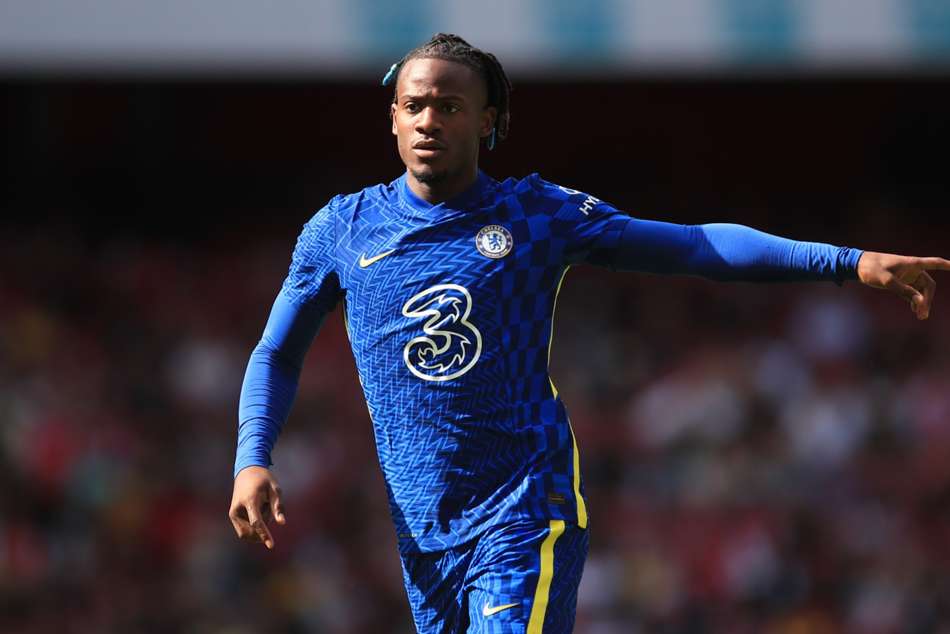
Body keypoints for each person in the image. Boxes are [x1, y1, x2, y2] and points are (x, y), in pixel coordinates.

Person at [229, 33, 949, 633]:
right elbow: (277, 352)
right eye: (414, 105)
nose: (428, 121)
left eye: (450, 106)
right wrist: (251, 458)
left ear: (486, 120)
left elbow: (694, 245)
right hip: (424, 531)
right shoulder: (342, 230)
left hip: (524, 510)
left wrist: (846, 262)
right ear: (392, 117)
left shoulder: (535, 215)